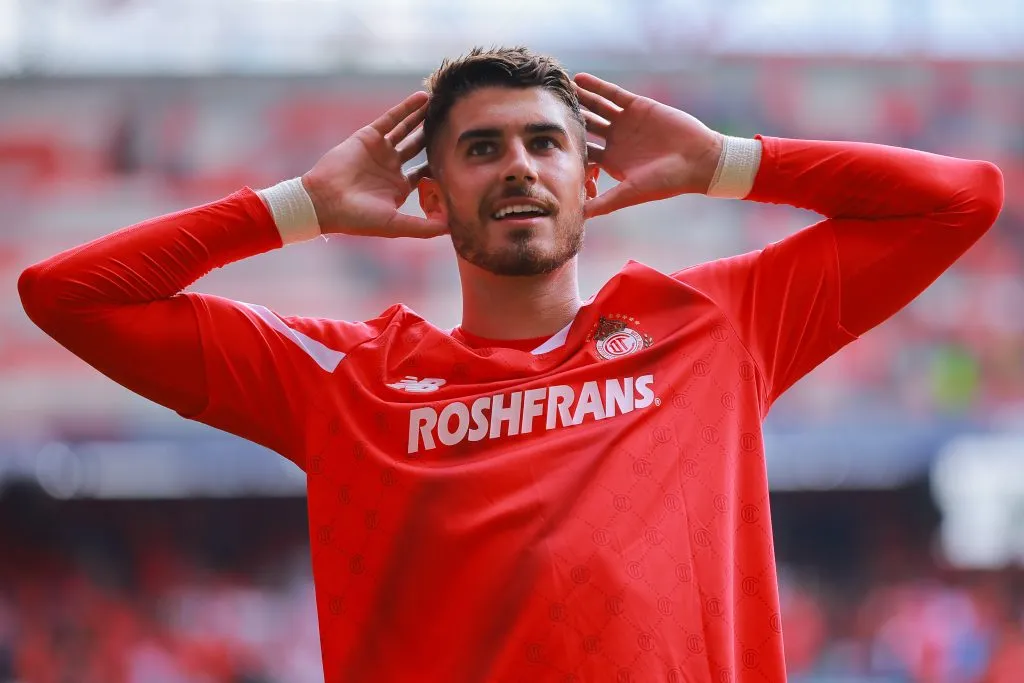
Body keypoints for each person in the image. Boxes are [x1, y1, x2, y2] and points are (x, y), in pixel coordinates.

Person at [19, 46, 1003, 683]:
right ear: (434, 197)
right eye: (481, 149)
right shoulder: (346, 378)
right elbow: (66, 295)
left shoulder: (711, 324)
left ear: (591, 178)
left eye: (544, 143)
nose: (519, 166)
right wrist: (298, 206)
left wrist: (726, 163)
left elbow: (960, 199)